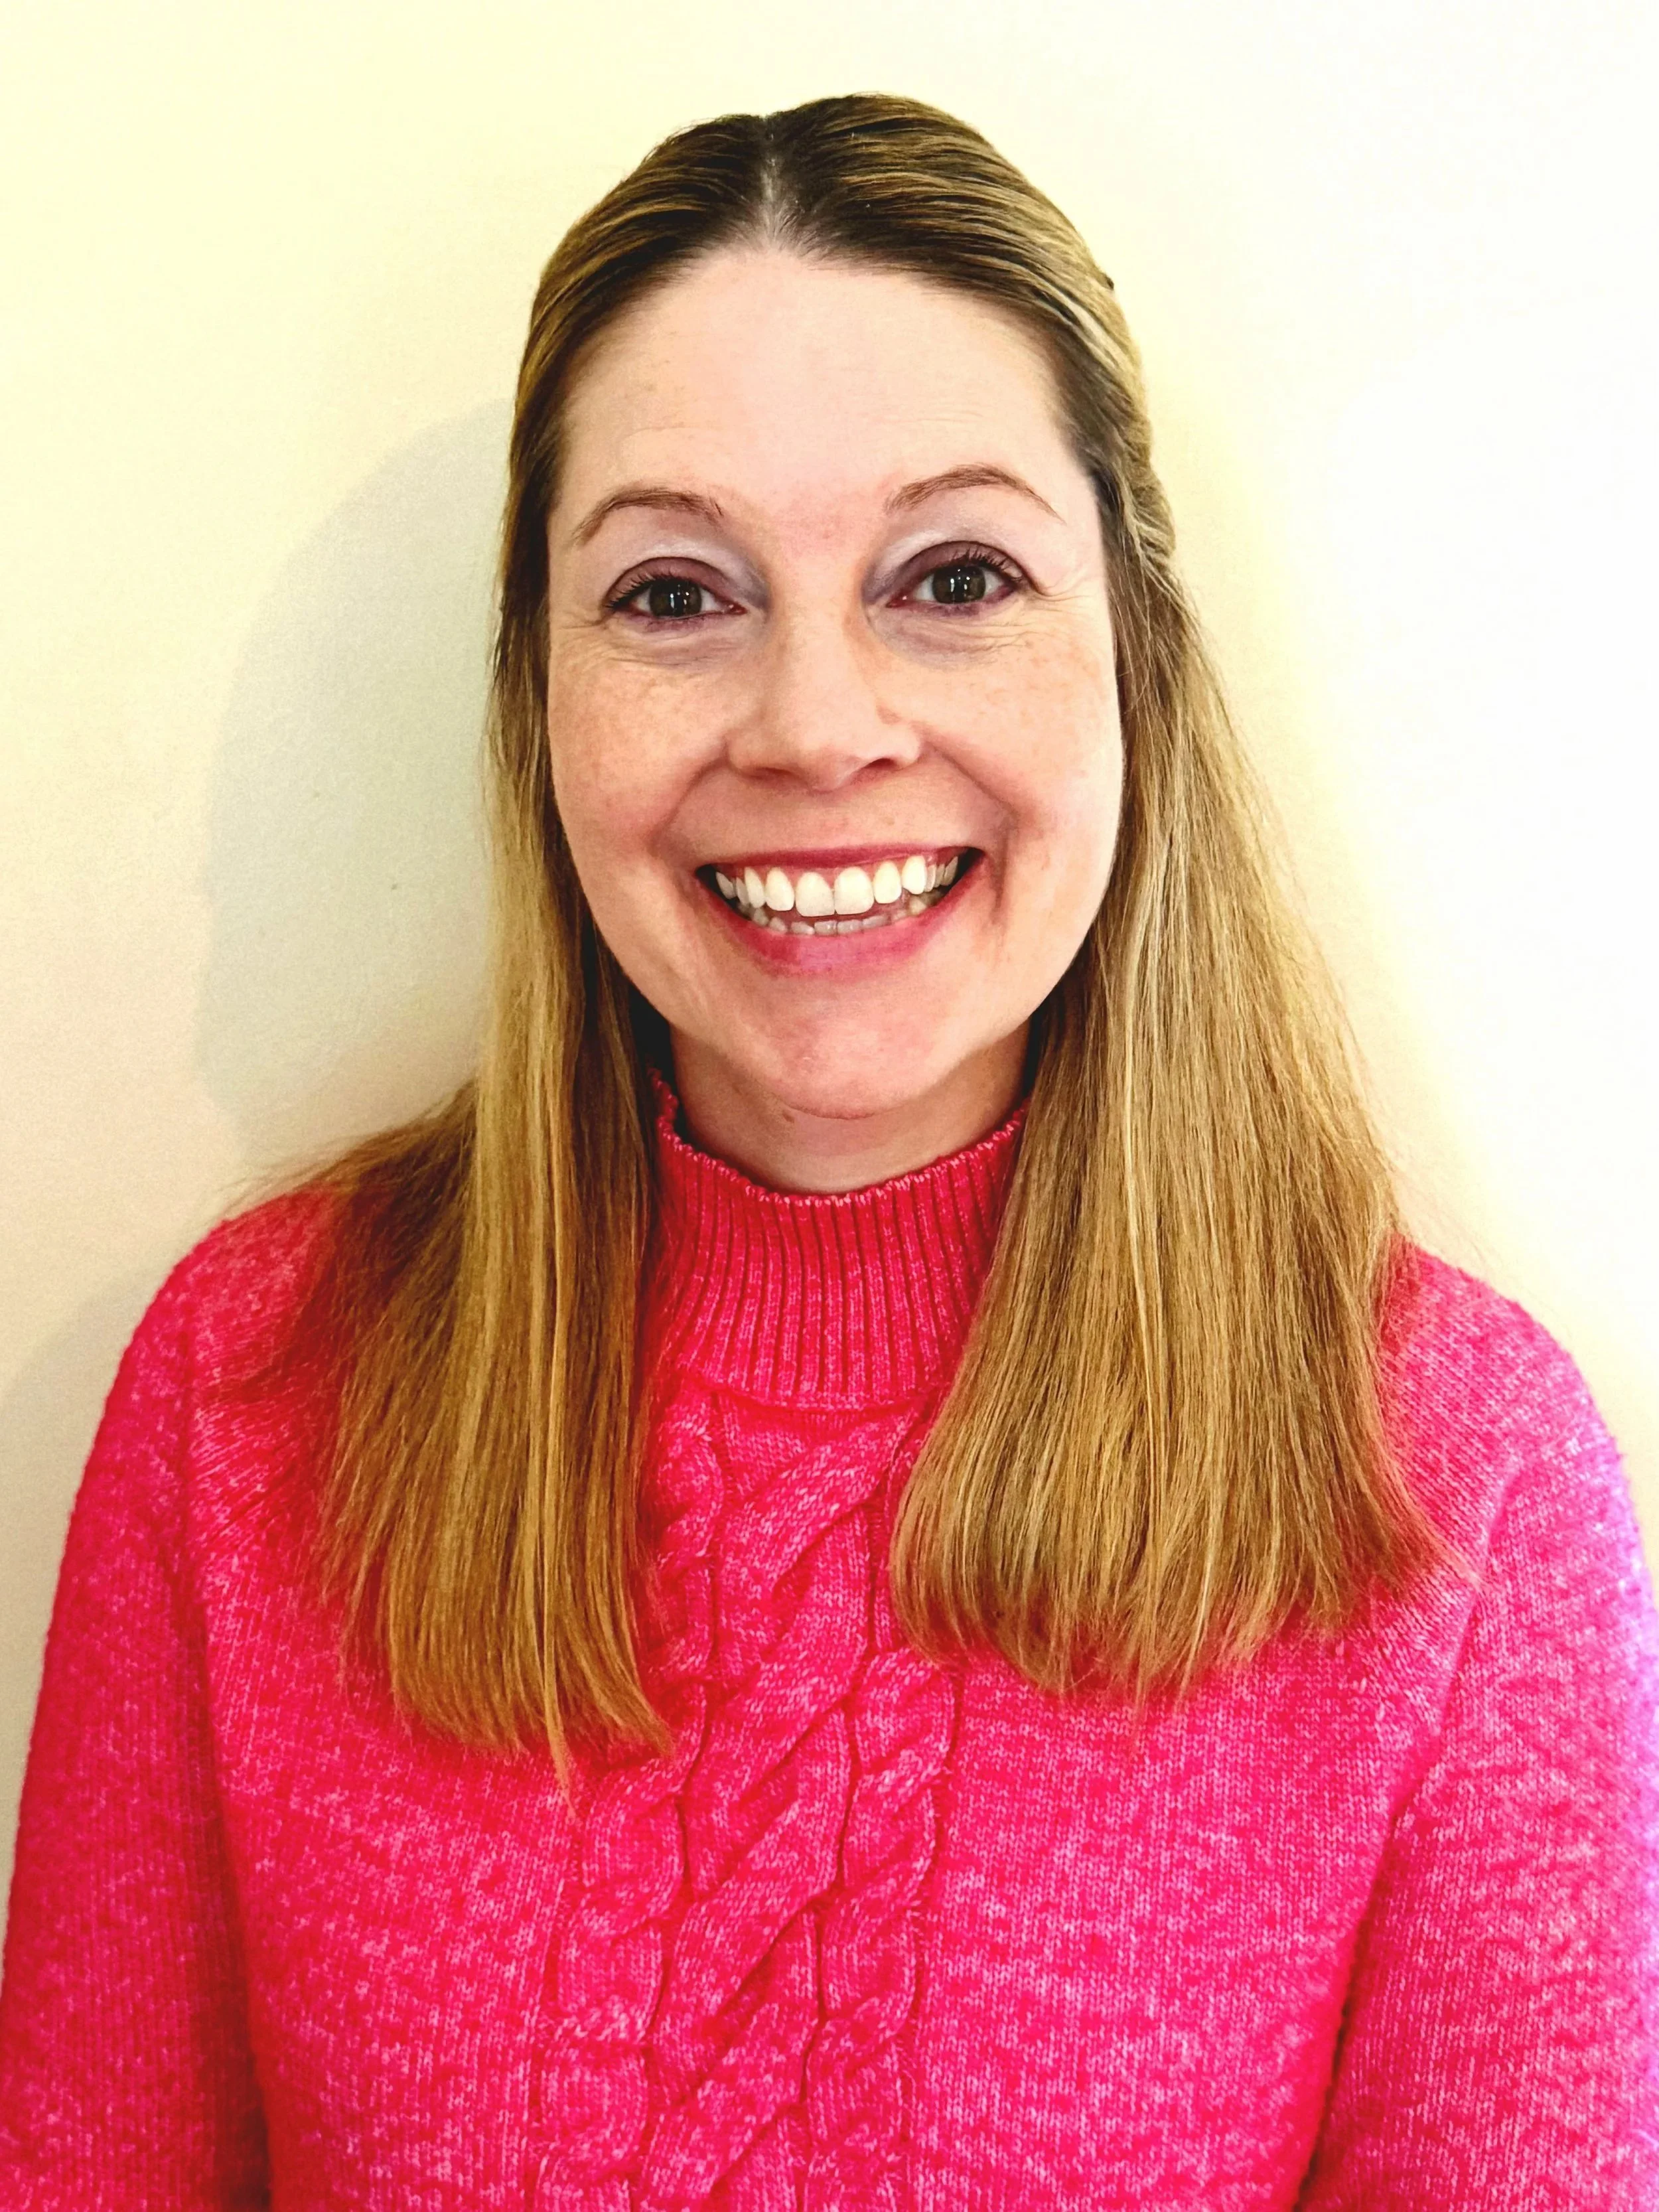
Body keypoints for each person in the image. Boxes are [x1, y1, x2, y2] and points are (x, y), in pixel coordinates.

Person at [1, 90, 1655, 2211]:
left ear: (1133, 653)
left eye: (952, 575)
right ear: (536, 703)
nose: (813, 722)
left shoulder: (1460, 1486)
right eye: (673, 593)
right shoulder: (249, 1399)